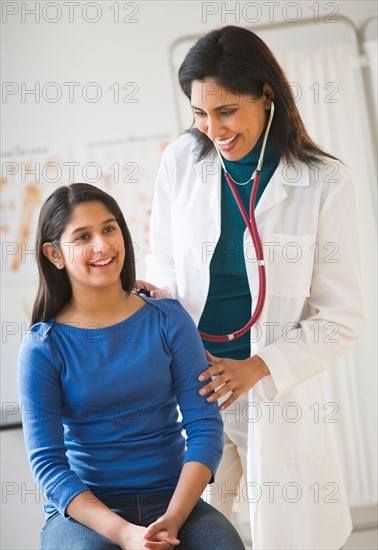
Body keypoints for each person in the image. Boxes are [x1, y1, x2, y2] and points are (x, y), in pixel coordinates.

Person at [135, 25, 365, 550]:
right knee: (194, 533)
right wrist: (153, 295)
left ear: (267, 95)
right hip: (194, 388)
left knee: (281, 535)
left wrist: (257, 367)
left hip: (271, 392)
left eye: (226, 111)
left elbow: (341, 317)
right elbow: (167, 267)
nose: (212, 128)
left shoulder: (324, 182)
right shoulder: (181, 162)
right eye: (199, 113)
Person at [17, 183, 246, 550]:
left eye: (109, 229)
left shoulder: (169, 319)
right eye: (82, 236)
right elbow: (49, 466)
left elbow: (204, 427)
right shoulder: (43, 348)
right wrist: (124, 533)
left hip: (174, 502)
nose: (102, 246)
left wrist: (172, 518)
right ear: (54, 254)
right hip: (87, 513)